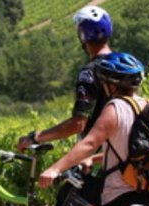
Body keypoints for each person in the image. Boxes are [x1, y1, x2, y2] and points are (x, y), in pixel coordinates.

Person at [36, 52, 149, 206]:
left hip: (122, 198)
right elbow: (136, 153)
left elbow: (89, 142)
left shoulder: (115, 108)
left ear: (110, 84)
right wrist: (97, 158)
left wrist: (55, 169)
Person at [16, 5, 114, 151]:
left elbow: (78, 124)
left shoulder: (90, 73)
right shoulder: (126, 67)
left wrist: (36, 137)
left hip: (97, 157)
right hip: (125, 154)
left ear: (82, 35)